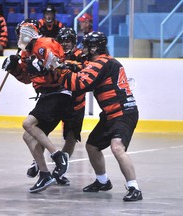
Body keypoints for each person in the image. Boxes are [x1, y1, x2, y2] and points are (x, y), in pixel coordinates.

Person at [34, 31, 143, 201]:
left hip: (122, 113)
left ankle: (134, 187)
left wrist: (58, 69)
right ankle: (102, 181)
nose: (83, 49)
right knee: (92, 146)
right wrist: (70, 67)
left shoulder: (100, 63)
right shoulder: (106, 61)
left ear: (94, 48)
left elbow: (79, 84)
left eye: (86, 46)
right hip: (111, 113)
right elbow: (85, 72)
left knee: (117, 147)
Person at [2, 20, 71, 193]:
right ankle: (44, 174)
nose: (20, 36)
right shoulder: (26, 53)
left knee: (28, 124)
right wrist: (14, 69)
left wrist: (42, 67)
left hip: (58, 92)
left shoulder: (45, 44)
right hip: (46, 95)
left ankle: (57, 155)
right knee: (27, 137)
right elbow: (27, 79)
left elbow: (59, 67)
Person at [26, 27, 86, 186]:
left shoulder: (81, 55)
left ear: (74, 42)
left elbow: (84, 68)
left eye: (69, 41)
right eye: (63, 41)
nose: (65, 44)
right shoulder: (52, 51)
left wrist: (70, 65)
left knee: (71, 137)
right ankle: (38, 162)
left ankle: (61, 169)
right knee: (41, 131)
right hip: (58, 98)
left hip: (76, 103)